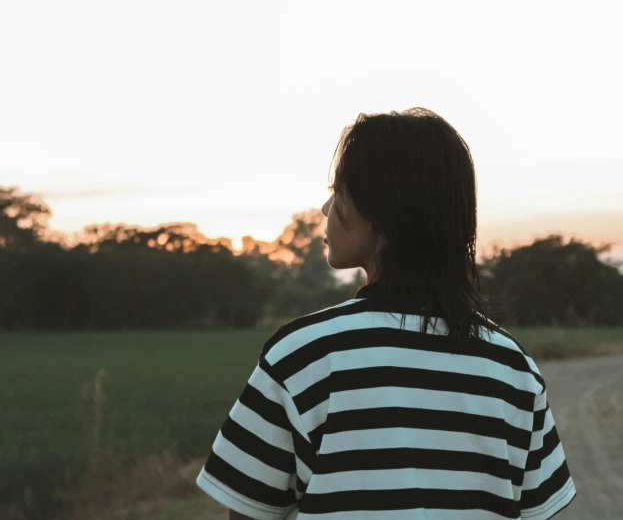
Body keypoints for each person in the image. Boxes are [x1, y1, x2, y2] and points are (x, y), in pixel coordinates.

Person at [196, 107, 576, 520]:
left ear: (379, 216)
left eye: (337, 191)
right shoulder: (513, 368)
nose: (326, 209)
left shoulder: (301, 356)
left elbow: (250, 512)